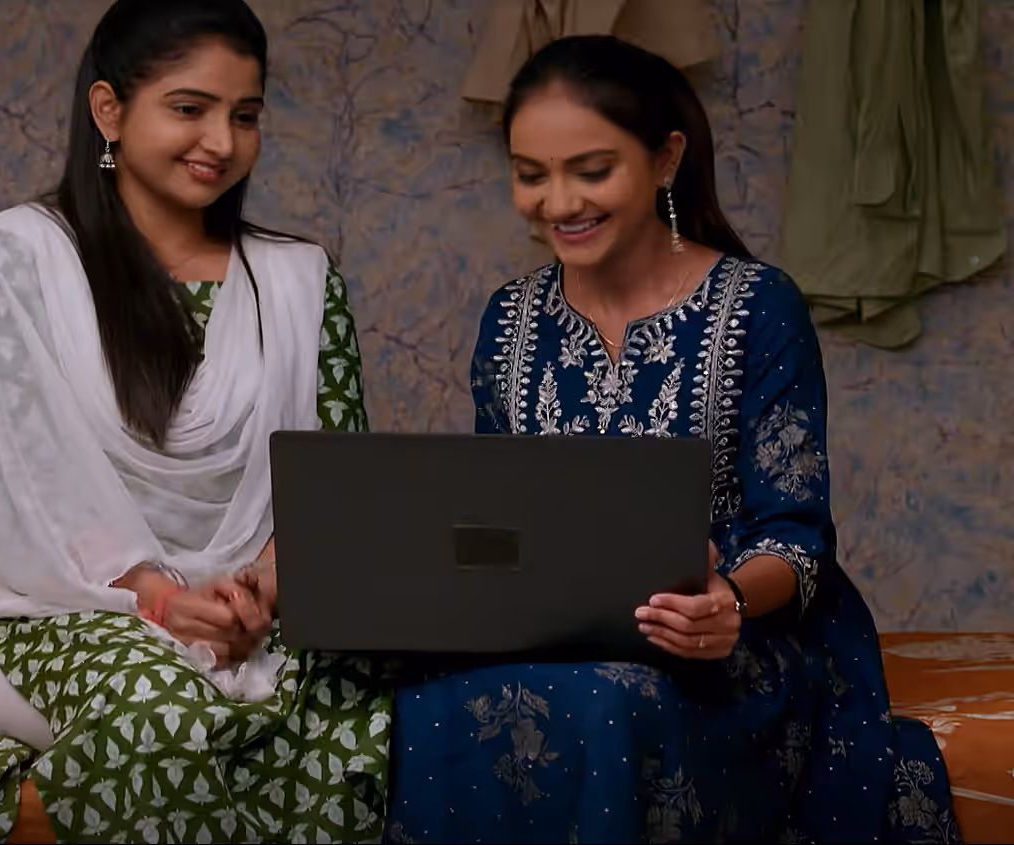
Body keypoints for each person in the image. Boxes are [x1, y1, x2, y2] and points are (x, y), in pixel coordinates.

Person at [385, 36, 960, 844]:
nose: (557, 202)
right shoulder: (508, 318)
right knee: (423, 698)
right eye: (530, 173)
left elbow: (796, 539)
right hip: (557, 631)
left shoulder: (759, 305)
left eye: (591, 170)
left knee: (611, 701)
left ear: (665, 159)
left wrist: (726, 601)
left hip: (733, 636)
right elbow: (500, 513)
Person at [0, 2, 391, 842]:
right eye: (190, 108)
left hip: (263, 620)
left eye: (246, 115)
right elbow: (17, 494)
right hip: (48, 617)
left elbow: (333, 486)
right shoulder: (14, 262)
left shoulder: (300, 281)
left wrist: (258, 591)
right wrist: (163, 601)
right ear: (109, 110)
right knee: (164, 715)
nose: (221, 140)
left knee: (369, 713)